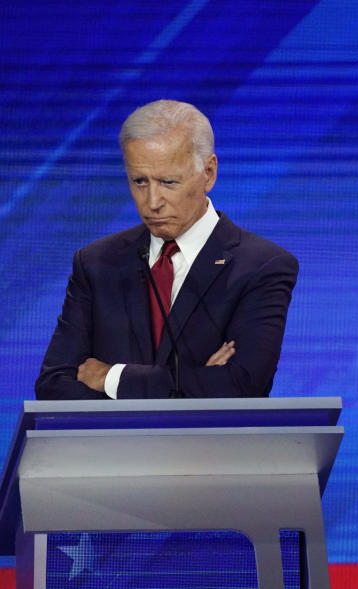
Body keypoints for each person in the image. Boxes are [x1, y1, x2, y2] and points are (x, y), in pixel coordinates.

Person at [35, 100, 298, 399]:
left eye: (168, 182)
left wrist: (113, 378)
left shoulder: (261, 266)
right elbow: (53, 387)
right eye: (139, 181)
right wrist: (198, 382)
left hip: (208, 446)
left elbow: (242, 386)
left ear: (209, 173)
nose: (152, 202)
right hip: (113, 446)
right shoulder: (96, 263)